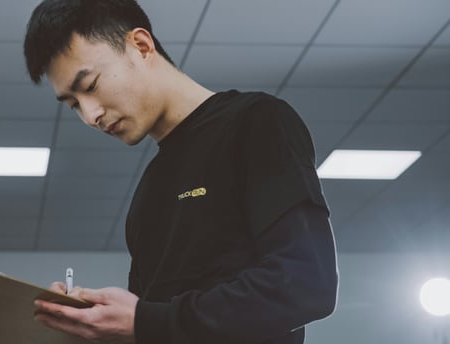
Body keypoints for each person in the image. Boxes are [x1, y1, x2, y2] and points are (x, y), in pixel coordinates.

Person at [23, 0, 339, 343]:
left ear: (141, 46)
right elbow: (155, 328)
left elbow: (307, 285)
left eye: (91, 86)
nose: (89, 116)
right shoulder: (148, 192)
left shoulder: (256, 122)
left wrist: (145, 319)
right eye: (73, 105)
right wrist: (92, 322)